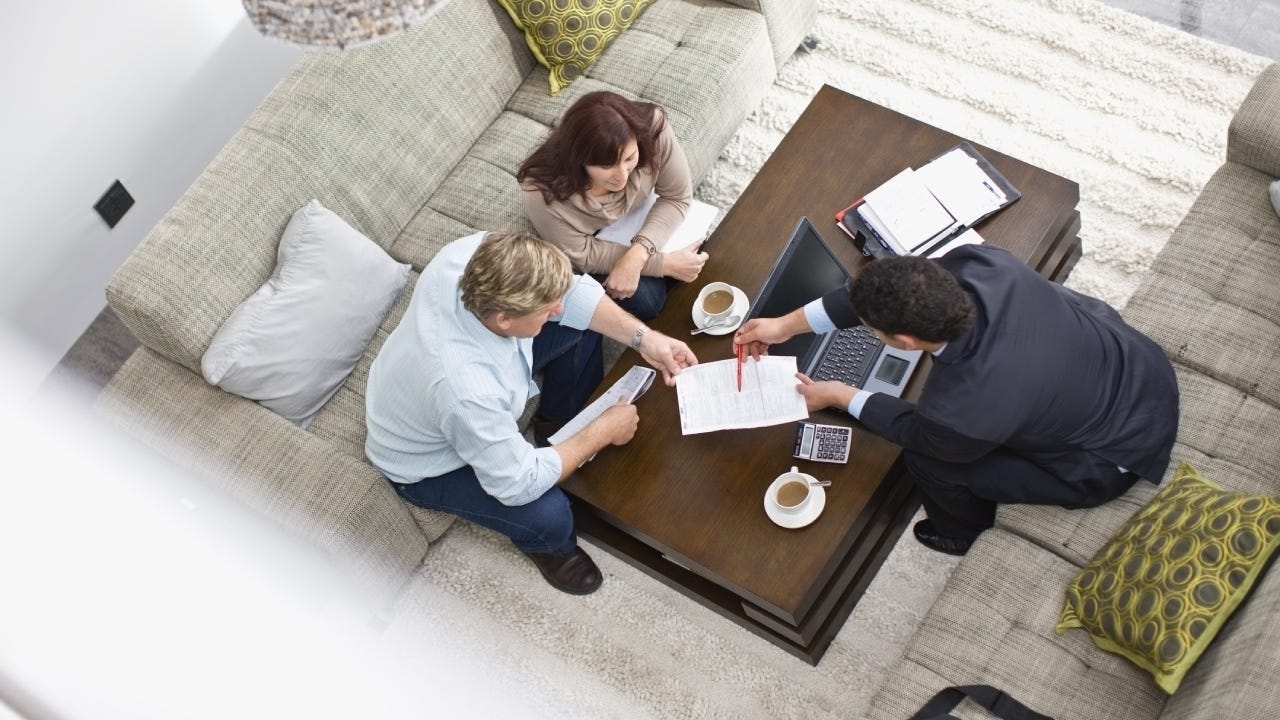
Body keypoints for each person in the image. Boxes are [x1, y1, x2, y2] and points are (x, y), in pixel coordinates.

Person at [734, 244, 1179, 556]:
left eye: (872, 329)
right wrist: (787, 325)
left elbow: (920, 433)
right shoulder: (982, 263)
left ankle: (961, 532)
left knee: (929, 462)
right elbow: (876, 294)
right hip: (1144, 368)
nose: (867, 328)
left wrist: (837, 393)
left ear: (905, 342)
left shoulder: (960, 410)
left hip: (1112, 458)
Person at [365, 230, 697, 595]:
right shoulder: (466, 391)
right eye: (547, 308)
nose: (558, 307)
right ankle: (549, 549)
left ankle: (557, 423)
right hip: (425, 462)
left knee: (582, 322)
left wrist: (644, 339)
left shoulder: (473, 253)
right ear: (505, 319)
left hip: (450, 390)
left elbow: (571, 295)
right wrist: (600, 432)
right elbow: (516, 484)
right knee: (552, 517)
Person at [517, 90, 709, 321]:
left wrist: (637, 256)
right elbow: (583, 254)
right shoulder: (541, 192)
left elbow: (677, 196)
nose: (622, 176)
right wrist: (664, 264)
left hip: (640, 228)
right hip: (599, 242)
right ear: (579, 160)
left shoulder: (653, 129)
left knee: (704, 250)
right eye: (607, 166)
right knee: (648, 300)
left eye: (629, 158)